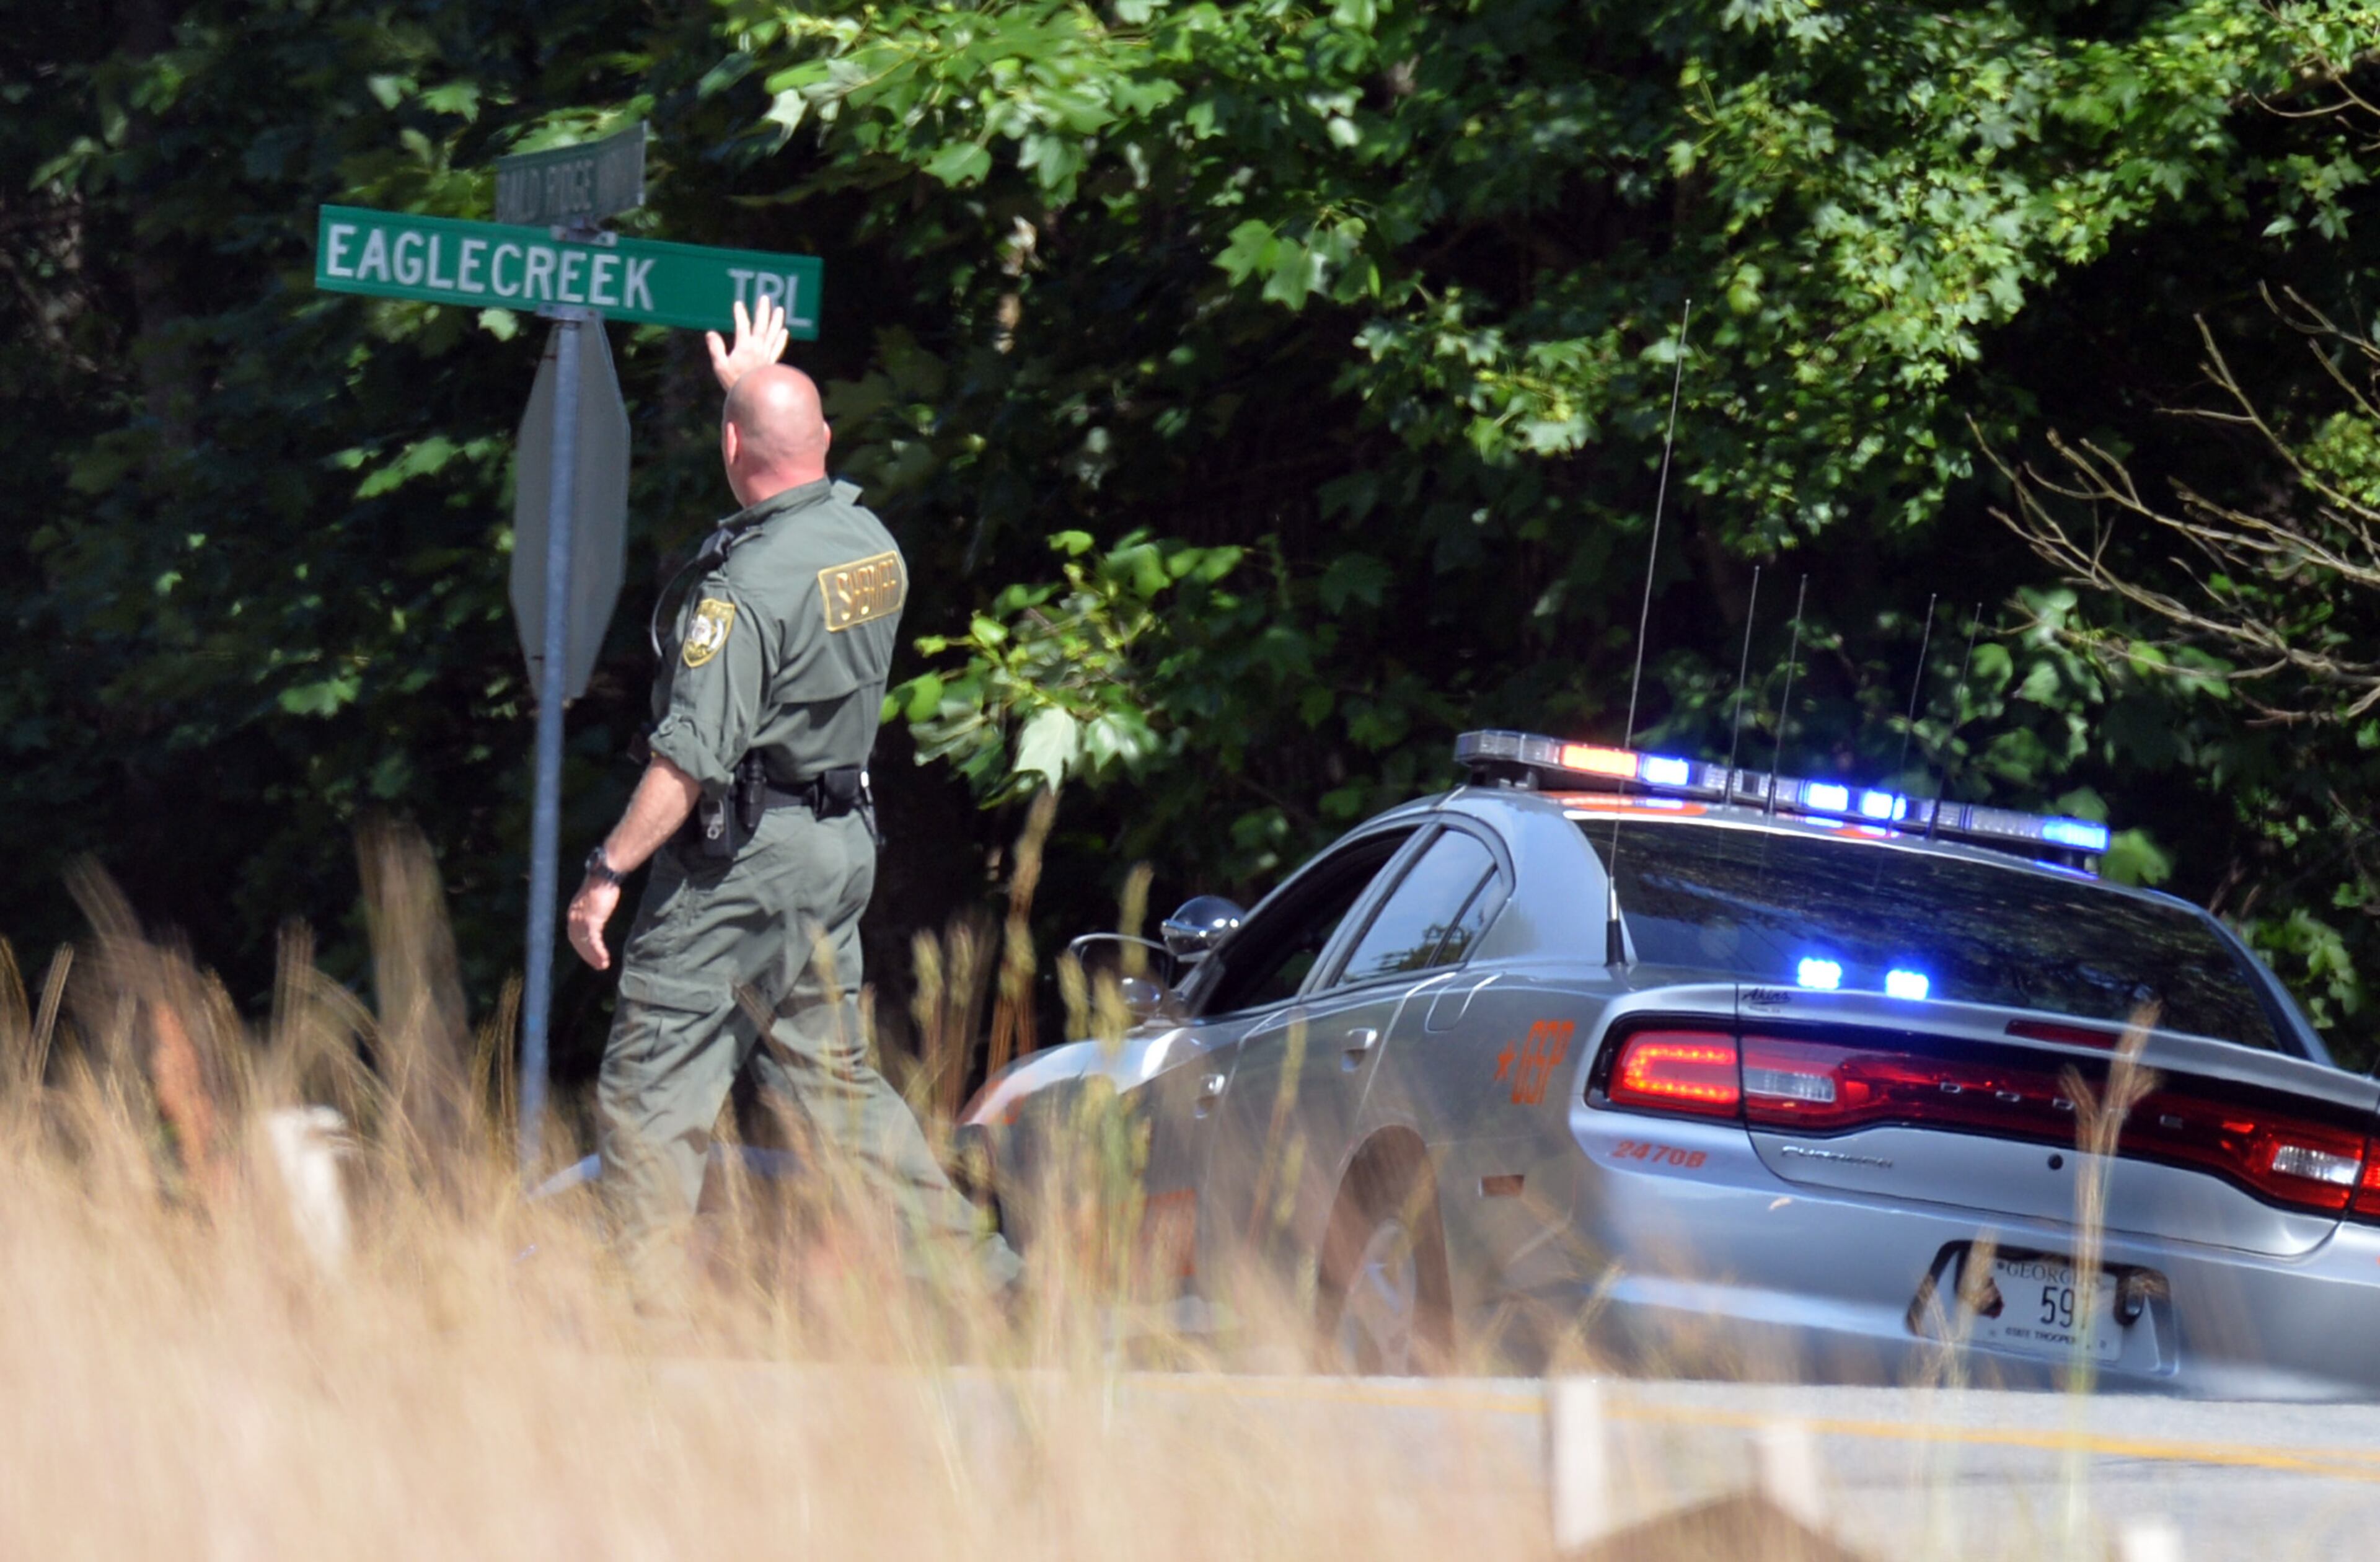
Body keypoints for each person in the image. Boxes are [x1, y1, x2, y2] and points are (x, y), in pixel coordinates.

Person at [565, 298, 1020, 1302]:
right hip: (836, 848)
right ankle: (985, 1282)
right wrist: (753, 399)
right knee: (837, 1088)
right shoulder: (870, 548)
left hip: (743, 866)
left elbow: (686, 761)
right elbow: (782, 470)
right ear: (824, 440)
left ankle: (646, 1325)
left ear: (732, 446)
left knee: (653, 1091)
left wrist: (607, 872)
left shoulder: (746, 593)